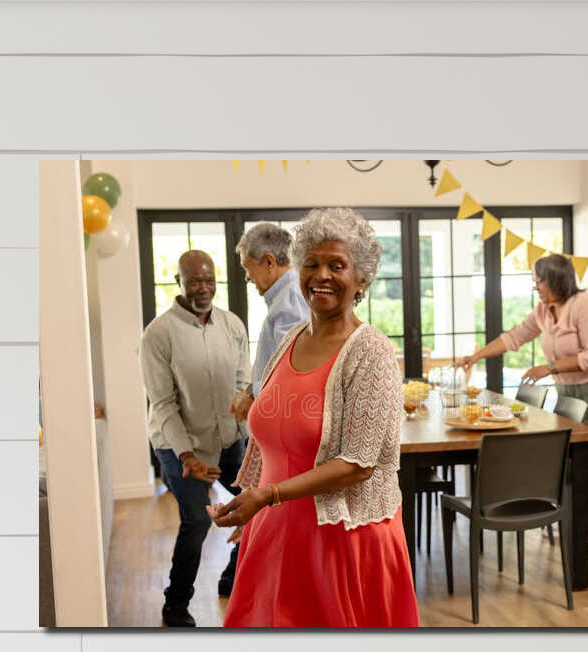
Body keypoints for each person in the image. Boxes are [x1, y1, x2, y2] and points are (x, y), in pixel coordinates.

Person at [211, 207, 418, 629]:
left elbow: (357, 465)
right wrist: (250, 503)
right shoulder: (289, 340)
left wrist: (267, 498)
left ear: (361, 280)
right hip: (273, 533)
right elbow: (271, 436)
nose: (321, 275)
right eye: (312, 264)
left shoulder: (371, 352)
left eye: (336, 265)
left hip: (342, 540)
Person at [456, 253, 588, 536]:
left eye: (539, 282)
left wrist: (550, 367)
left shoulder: (585, 306)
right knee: (566, 455)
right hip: (568, 387)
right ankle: (571, 517)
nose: (536, 287)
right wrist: (475, 356)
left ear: (557, 280)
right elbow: (514, 336)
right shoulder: (544, 310)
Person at [142, 248, 249, 627]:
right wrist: (188, 456)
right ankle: (175, 605)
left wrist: (249, 439)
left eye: (209, 280)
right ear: (179, 282)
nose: (203, 288)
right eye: (195, 281)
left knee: (256, 506)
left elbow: (242, 386)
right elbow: (164, 403)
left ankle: (233, 575)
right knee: (196, 521)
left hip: (227, 437)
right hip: (177, 445)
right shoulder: (158, 334)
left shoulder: (232, 325)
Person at [230, 222, 310, 424]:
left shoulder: (290, 298)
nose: (248, 277)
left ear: (268, 262)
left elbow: (293, 371)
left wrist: (251, 394)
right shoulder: (286, 296)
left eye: (248, 268)